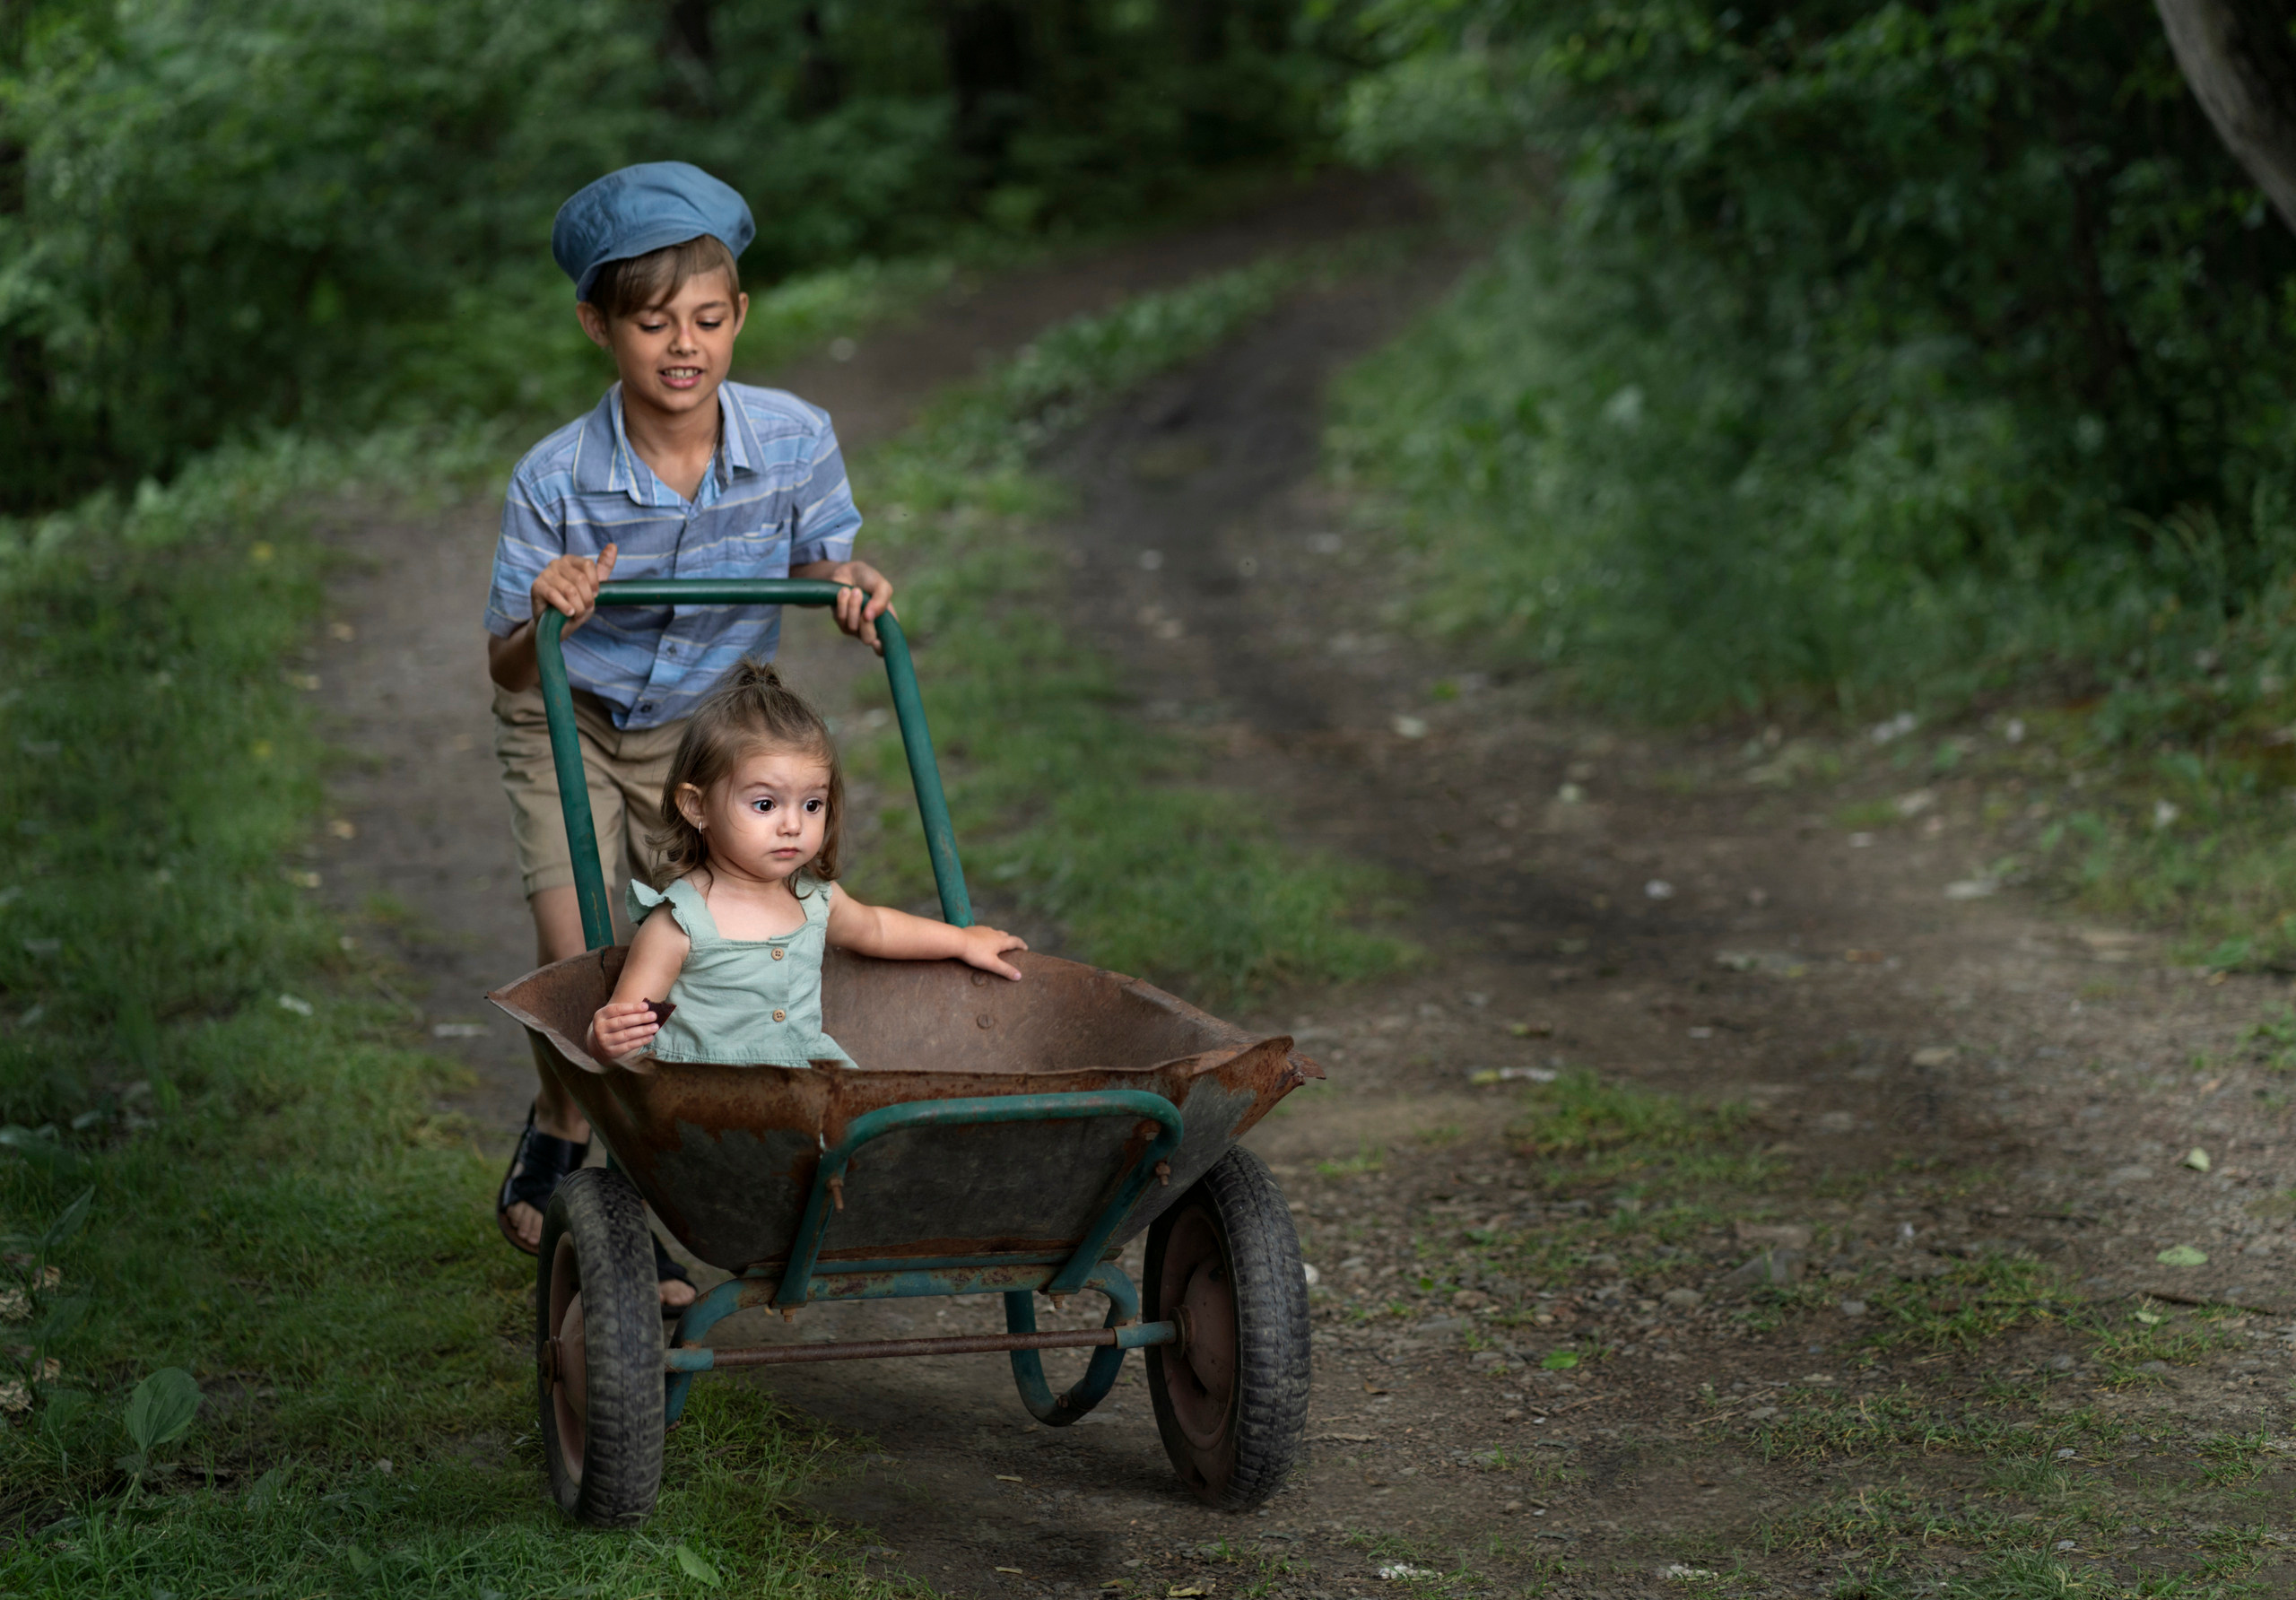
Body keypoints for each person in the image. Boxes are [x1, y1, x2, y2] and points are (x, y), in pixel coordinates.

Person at [484, 161, 893, 1308]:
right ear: (597, 325)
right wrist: (544, 609)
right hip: (566, 715)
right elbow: (504, 663)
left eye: (708, 319)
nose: (683, 345)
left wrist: (850, 582)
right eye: (652, 320)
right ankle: (575, 1127)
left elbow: (824, 562)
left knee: (700, 949)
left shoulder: (797, 437)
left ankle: (653, 1176)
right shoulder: (556, 477)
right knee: (585, 966)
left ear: (739, 318)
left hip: (699, 736)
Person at [589, 663, 1027, 1067]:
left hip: (809, 1091)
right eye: (765, 804)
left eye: (813, 804)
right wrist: (603, 1039)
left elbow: (876, 928)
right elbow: (626, 1024)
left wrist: (962, 941)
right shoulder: (680, 923)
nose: (794, 824)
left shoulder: (811, 898)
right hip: (707, 1106)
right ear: (696, 805)